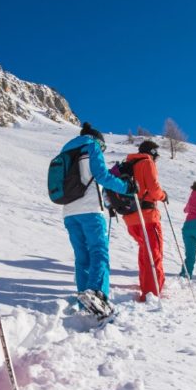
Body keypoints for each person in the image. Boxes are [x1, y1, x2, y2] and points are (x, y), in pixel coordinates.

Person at [60, 122, 135, 317]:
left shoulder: (66, 149)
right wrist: (126, 188)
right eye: (103, 147)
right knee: (99, 252)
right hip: (90, 211)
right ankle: (98, 296)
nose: (102, 150)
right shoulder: (91, 146)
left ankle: (85, 297)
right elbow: (101, 176)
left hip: (69, 212)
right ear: (98, 141)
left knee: (82, 256)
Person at [122, 140, 168, 301]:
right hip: (147, 216)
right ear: (153, 152)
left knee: (144, 251)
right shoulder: (146, 162)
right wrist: (163, 196)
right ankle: (151, 291)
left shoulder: (129, 164)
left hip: (130, 217)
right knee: (154, 253)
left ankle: (146, 285)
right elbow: (154, 190)